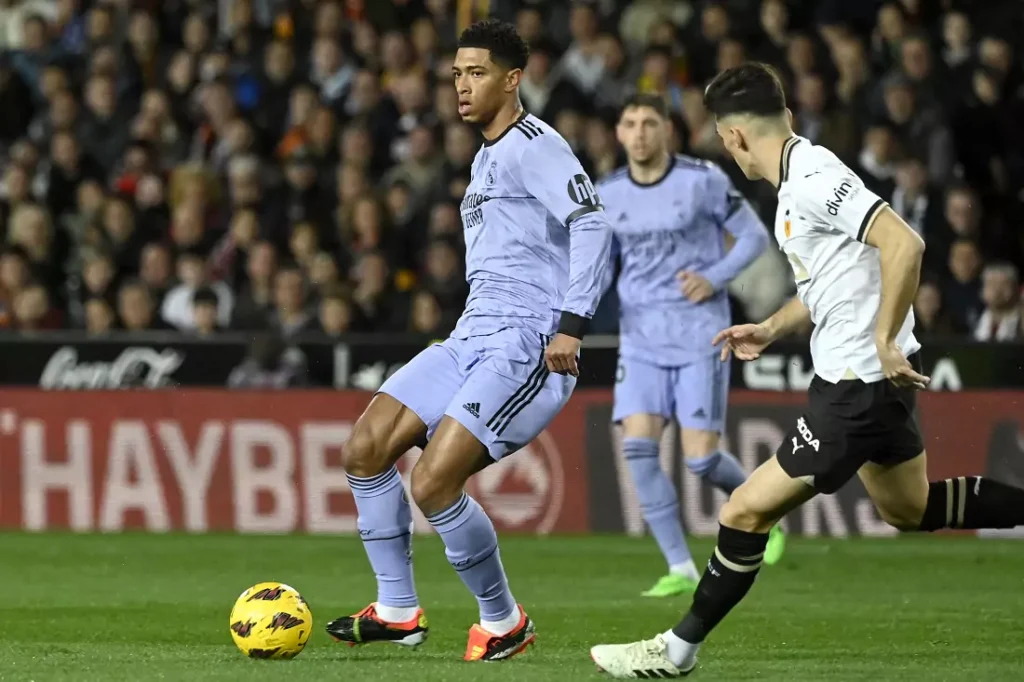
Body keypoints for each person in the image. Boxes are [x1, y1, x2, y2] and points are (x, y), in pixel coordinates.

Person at [589, 62, 1024, 678]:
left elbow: (905, 243)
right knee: (909, 509)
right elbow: (829, 283)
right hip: (869, 378)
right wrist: (771, 326)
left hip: (857, 384)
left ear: (734, 138)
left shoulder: (815, 178)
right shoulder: (798, 180)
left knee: (743, 511)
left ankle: (677, 649)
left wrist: (881, 337)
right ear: (785, 117)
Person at [326, 20, 613, 662]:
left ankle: (504, 620)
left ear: (513, 80)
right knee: (365, 447)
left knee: (432, 483)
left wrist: (572, 323)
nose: (461, 85)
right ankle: (398, 609)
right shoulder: (486, 156)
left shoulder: (534, 145)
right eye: (456, 73)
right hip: (471, 335)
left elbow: (591, 224)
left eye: (476, 72)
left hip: (529, 344)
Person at [599, 93, 780, 598]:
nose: (639, 133)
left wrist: (714, 276)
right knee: (637, 449)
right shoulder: (606, 195)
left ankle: (766, 513)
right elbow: (596, 263)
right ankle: (679, 566)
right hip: (639, 340)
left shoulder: (702, 180)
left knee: (701, 459)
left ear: (667, 131)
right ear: (618, 133)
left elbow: (753, 238)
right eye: (630, 123)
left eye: (649, 123)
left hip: (700, 331)